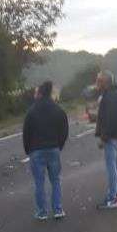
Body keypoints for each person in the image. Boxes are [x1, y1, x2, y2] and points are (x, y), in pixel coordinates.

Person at [23, 81, 69, 220]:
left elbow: (27, 132)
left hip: (36, 150)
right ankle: (58, 209)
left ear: (40, 93)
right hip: (53, 148)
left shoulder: (32, 111)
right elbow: (64, 130)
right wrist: (58, 145)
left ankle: (42, 212)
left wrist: (28, 149)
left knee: (39, 182)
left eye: (36, 92)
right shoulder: (58, 109)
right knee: (55, 181)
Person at [95, 70, 117, 209]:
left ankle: (112, 198)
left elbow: (110, 120)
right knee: (116, 166)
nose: (97, 83)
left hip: (111, 137)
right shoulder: (114, 95)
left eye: (99, 80)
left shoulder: (110, 97)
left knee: (112, 168)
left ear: (105, 82)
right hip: (116, 136)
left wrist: (103, 137)